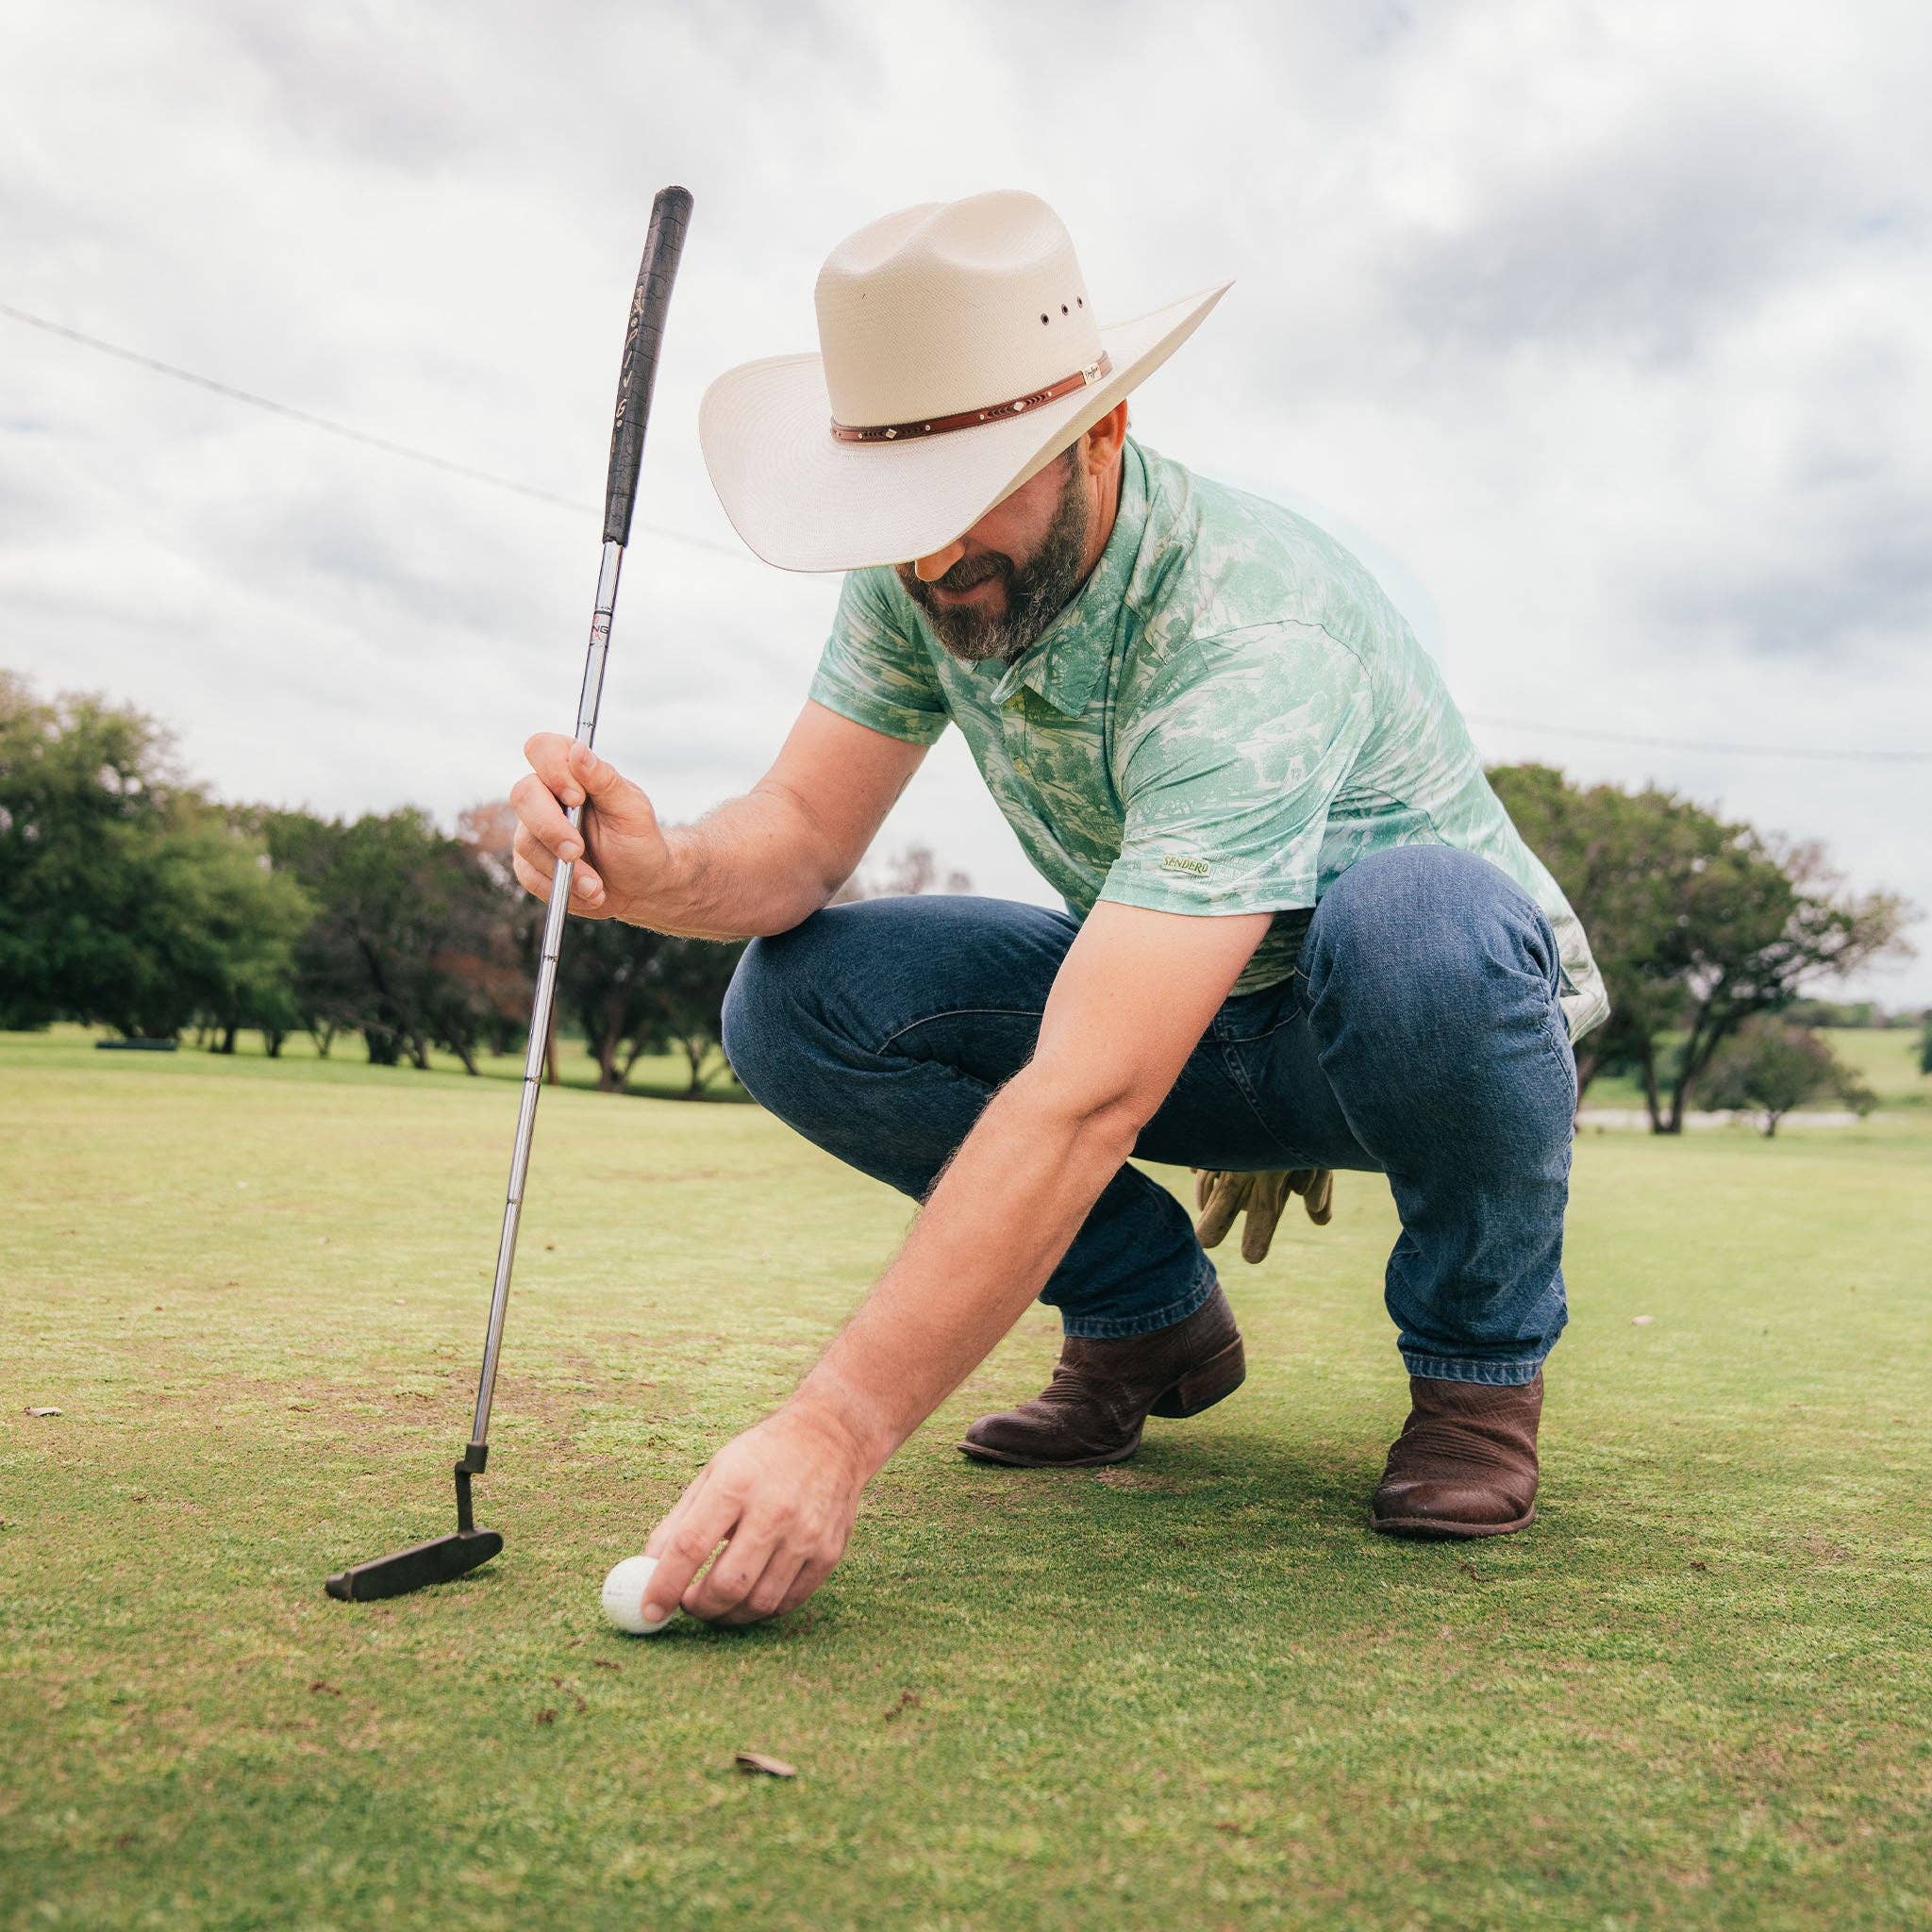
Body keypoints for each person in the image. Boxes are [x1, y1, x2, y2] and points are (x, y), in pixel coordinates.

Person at [508, 190, 1607, 1628]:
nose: (929, 559)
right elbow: (795, 841)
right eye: (899, 506)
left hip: (1416, 1021)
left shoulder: (1251, 627)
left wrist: (836, 1425)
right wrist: (658, 873)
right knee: (799, 995)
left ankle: (1474, 1376)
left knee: (1417, 924)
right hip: (1189, 1006)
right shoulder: (916, 570)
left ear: (1102, 432)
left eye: (970, 492)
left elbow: (1092, 1086)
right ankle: (1146, 1321)